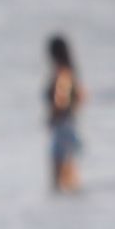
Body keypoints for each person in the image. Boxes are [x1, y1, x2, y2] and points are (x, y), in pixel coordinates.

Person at [45, 34, 86, 192]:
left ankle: (60, 209)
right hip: (70, 124)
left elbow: (60, 98)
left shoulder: (62, 73)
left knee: (58, 176)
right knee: (69, 173)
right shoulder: (71, 72)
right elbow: (82, 96)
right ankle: (70, 210)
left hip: (62, 126)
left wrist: (53, 115)